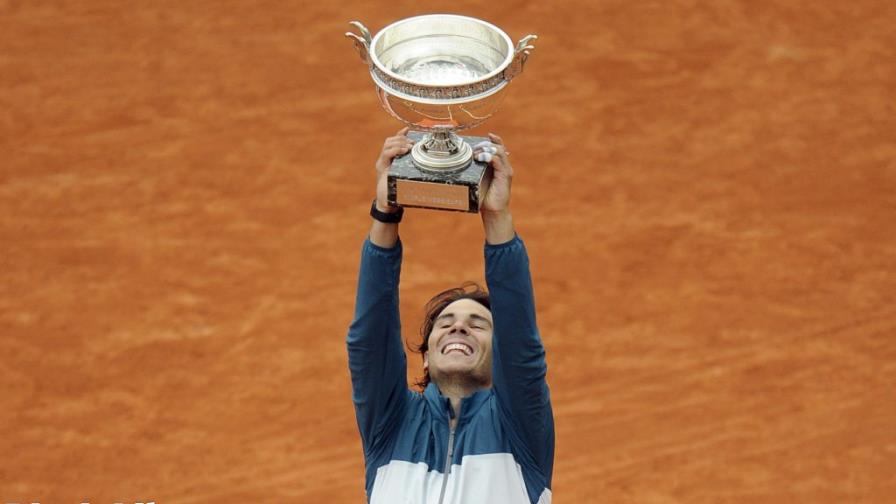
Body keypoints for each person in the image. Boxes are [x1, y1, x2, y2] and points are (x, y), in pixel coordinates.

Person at [347, 127, 554, 504]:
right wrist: (385, 211)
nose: (459, 326)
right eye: (445, 324)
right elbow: (369, 341)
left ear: (499, 359)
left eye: (479, 325)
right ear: (424, 355)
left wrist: (497, 217)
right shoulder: (390, 428)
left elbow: (521, 342)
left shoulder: (520, 432)